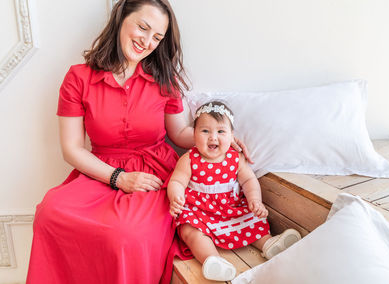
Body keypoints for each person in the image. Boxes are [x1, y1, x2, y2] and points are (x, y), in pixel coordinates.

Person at [26, 1, 251, 283]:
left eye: (157, 37)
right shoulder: (78, 78)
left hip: (153, 173)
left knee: (127, 234)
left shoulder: (166, 80)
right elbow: (71, 149)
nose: (147, 42)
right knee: (49, 213)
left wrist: (219, 138)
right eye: (143, 27)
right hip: (99, 171)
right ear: (121, 19)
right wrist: (119, 178)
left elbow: (179, 133)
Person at [167, 101, 302, 281]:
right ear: (194, 134)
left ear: (232, 136)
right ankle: (212, 259)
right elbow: (177, 181)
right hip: (199, 211)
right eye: (205, 131)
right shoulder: (189, 159)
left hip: (231, 208)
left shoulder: (235, 158)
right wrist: (176, 196)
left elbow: (248, 180)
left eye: (221, 132)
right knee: (191, 231)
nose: (213, 137)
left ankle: (268, 244)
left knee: (253, 219)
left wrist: (255, 200)